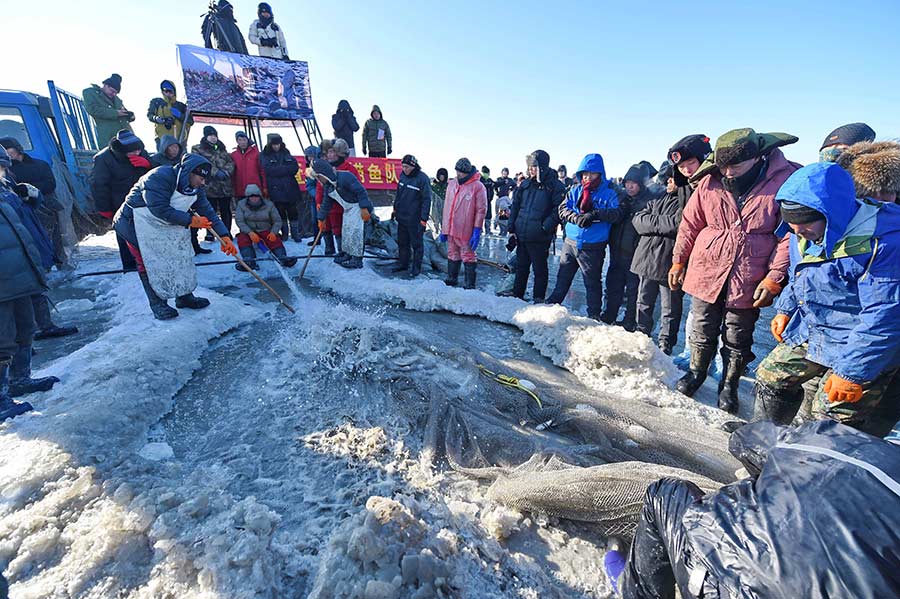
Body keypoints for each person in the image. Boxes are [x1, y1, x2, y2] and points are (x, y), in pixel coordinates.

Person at [605, 419, 900, 598]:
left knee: (664, 493)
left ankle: (635, 591)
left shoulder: (835, 439)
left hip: (732, 584)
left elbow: (745, 440)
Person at [751, 163, 900, 436]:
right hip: (818, 329)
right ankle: (765, 445)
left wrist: (853, 372)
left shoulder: (883, 243)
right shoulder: (801, 233)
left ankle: (811, 469)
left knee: (830, 412)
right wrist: (786, 308)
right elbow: (801, 275)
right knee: (771, 375)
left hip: (861, 341)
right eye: (791, 221)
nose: (798, 230)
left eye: (805, 221)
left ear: (833, 213)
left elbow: (884, 317)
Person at [670, 128, 800, 414]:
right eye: (723, 166)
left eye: (736, 166)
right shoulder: (709, 181)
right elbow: (691, 223)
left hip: (750, 273)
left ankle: (728, 384)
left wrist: (774, 277)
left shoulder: (785, 180)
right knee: (702, 327)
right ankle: (696, 372)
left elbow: (789, 235)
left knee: (738, 334)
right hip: (708, 267)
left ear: (757, 158)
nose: (728, 173)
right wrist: (679, 260)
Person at [113, 154, 237, 320]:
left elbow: (208, 212)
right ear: (189, 172)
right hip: (134, 224)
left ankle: (184, 296)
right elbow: (160, 209)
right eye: (201, 178)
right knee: (150, 262)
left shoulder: (195, 188)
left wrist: (224, 236)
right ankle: (158, 304)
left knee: (180, 256)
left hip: (164, 226)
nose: (203, 183)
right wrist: (191, 220)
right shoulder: (159, 177)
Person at [631, 135, 712, 354]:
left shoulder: (688, 197)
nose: (669, 183)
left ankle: (665, 346)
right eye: (667, 179)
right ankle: (641, 338)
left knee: (670, 309)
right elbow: (638, 220)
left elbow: (679, 224)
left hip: (670, 259)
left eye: (671, 179)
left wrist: (652, 224)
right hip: (647, 257)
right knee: (643, 302)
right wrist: (656, 224)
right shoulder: (658, 198)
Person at [0, 170, 57, 421]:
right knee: (2, 342)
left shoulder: (4, 194)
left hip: (20, 278)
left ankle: (20, 379)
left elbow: (22, 229)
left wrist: (30, 198)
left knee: (25, 329)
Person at [546, 153, 620, 319]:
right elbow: (563, 209)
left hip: (592, 246)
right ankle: (550, 307)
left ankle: (593, 314)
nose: (587, 177)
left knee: (592, 283)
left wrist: (595, 214)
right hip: (570, 243)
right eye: (584, 174)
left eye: (591, 174)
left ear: (599, 174)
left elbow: (616, 214)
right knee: (562, 279)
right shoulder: (575, 190)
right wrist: (576, 218)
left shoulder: (609, 193)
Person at [601, 162, 656, 330]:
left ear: (641, 184)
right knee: (613, 286)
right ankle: (609, 315)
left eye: (634, 183)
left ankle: (630, 320)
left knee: (633, 291)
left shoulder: (649, 201)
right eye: (627, 183)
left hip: (635, 254)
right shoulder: (622, 199)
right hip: (616, 251)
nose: (630, 187)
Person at [508, 150, 566, 302]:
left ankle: (538, 300)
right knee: (521, 268)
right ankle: (517, 296)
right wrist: (512, 228)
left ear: (542, 167)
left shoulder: (555, 186)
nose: (530, 169)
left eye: (534, 166)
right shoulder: (525, 184)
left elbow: (558, 210)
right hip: (522, 234)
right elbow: (515, 206)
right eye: (529, 166)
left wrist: (545, 227)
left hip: (539, 237)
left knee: (539, 270)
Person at [0, 136, 65, 269]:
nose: (7, 152)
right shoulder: (9, 172)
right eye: (4, 150)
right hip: (25, 209)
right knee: (34, 239)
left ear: (17, 148)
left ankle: (60, 263)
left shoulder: (40, 164)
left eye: (9, 148)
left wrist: (31, 190)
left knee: (54, 238)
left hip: (46, 205)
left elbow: (50, 184)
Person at [92, 129, 152, 271]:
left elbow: (155, 174)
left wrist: (148, 164)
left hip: (142, 203)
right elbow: (98, 185)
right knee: (125, 235)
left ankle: (148, 264)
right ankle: (130, 268)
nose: (137, 154)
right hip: (118, 204)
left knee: (145, 235)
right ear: (123, 150)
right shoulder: (103, 158)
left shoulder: (142, 153)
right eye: (133, 152)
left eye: (139, 151)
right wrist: (104, 208)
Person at [312, 159, 373, 269]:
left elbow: (361, 191)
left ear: (324, 174)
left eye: (318, 177)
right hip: (348, 209)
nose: (318, 180)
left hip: (358, 207)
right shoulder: (328, 186)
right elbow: (327, 203)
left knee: (355, 233)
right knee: (346, 232)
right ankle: (347, 254)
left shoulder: (345, 177)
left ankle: (357, 259)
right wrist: (321, 218)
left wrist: (364, 208)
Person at [440, 158, 487, 289]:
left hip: (466, 230)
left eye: (461, 172)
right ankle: (451, 278)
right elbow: (447, 206)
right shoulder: (452, 184)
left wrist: (477, 229)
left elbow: (481, 210)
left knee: (468, 255)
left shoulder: (478, 187)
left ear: (467, 172)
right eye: (457, 171)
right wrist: (444, 228)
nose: (458, 174)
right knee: (452, 253)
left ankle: (469, 283)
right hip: (451, 228)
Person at [234, 184, 297, 270]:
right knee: (243, 239)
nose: (254, 198)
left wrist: (273, 232)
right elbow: (239, 221)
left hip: (265, 229)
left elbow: (277, 220)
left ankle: (283, 258)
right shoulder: (241, 205)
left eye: (256, 196)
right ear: (248, 197)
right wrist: (250, 232)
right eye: (251, 196)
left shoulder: (269, 204)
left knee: (274, 240)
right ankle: (249, 261)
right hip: (248, 230)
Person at [191, 126, 235, 237]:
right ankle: (210, 233)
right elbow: (200, 163)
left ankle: (226, 232)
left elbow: (231, 162)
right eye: (211, 135)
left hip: (225, 186)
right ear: (206, 136)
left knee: (226, 210)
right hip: (209, 186)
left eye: (215, 135)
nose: (213, 138)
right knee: (210, 210)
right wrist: (215, 172)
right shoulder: (198, 149)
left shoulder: (222, 149)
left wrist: (226, 172)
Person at [392, 155, 431, 277]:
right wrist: (395, 209)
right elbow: (399, 193)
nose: (404, 169)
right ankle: (403, 264)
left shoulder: (422, 179)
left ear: (413, 166)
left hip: (415, 219)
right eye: (403, 166)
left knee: (417, 245)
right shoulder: (402, 176)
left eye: (407, 167)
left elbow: (427, 200)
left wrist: (423, 219)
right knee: (402, 243)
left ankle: (416, 268)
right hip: (402, 216)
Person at [258, 133, 302, 242]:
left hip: (290, 188)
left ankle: (295, 234)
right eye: (274, 144)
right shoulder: (264, 155)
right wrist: (284, 170)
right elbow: (268, 170)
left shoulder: (286, 153)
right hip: (275, 189)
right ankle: (285, 234)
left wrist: (279, 169)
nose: (276, 146)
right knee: (280, 213)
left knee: (293, 212)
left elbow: (294, 168)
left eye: (278, 144)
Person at [83, 74, 134, 146]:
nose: (113, 94)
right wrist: (116, 113)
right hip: (108, 136)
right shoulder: (90, 93)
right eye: (112, 91)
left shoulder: (117, 100)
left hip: (126, 136)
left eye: (116, 93)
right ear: (106, 85)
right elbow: (93, 109)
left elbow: (123, 111)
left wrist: (129, 116)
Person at [146, 80, 190, 145]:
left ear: (174, 92)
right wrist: (157, 119)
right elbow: (150, 115)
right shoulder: (157, 102)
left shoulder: (181, 106)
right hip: (162, 139)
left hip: (179, 139)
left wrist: (180, 115)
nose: (168, 94)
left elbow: (190, 121)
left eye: (170, 91)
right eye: (165, 91)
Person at [231, 132, 263, 208]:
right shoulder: (233, 155)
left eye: (244, 140)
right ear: (237, 141)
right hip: (240, 190)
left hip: (255, 189)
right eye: (240, 140)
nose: (242, 142)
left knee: (256, 212)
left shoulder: (256, 153)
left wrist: (264, 187)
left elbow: (262, 171)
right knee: (243, 212)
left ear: (248, 140)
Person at [481, 166, 495, 234]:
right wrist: (489, 185)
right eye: (485, 173)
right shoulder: (480, 180)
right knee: (480, 215)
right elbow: (484, 185)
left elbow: (495, 184)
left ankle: (488, 229)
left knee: (488, 216)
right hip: (481, 202)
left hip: (489, 201)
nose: (487, 174)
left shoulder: (490, 180)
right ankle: (479, 229)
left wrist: (504, 182)